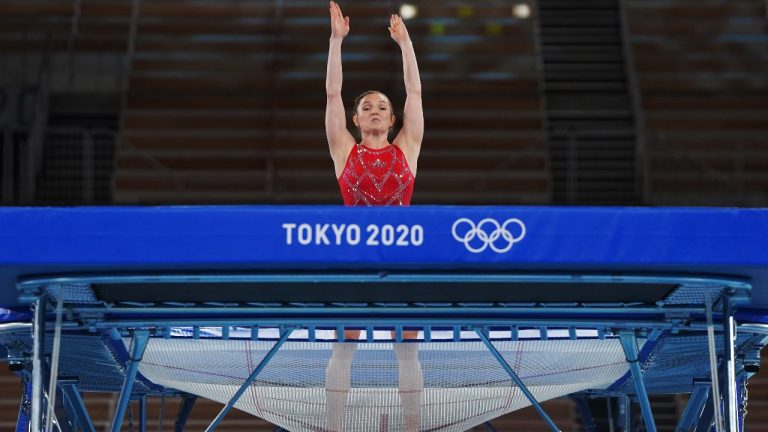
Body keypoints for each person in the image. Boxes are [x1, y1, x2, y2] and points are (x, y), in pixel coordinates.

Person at [324, 2, 424, 431]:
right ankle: (334, 424)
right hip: (355, 261)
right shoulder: (344, 150)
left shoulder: (408, 149)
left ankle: (412, 425)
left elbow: (415, 93)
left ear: (393, 116)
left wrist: (406, 45)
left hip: (403, 262)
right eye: (366, 106)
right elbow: (331, 94)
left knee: (407, 350)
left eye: (382, 105)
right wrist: (335, 41)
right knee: (344, 348)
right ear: (355, 118)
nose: (376, 109)